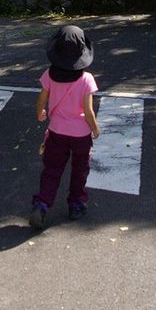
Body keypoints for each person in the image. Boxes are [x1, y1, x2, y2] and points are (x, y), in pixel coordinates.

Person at [29, 25, 101, 230]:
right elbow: (88, 111)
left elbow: (41, 99)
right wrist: (94, 128)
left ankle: (42, 204)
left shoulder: (49, 75)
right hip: (80, 135)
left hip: (56, 132)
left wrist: (40, 113)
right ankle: (76, 204)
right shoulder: (86, 79)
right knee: (80, 169)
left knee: (52, 169)